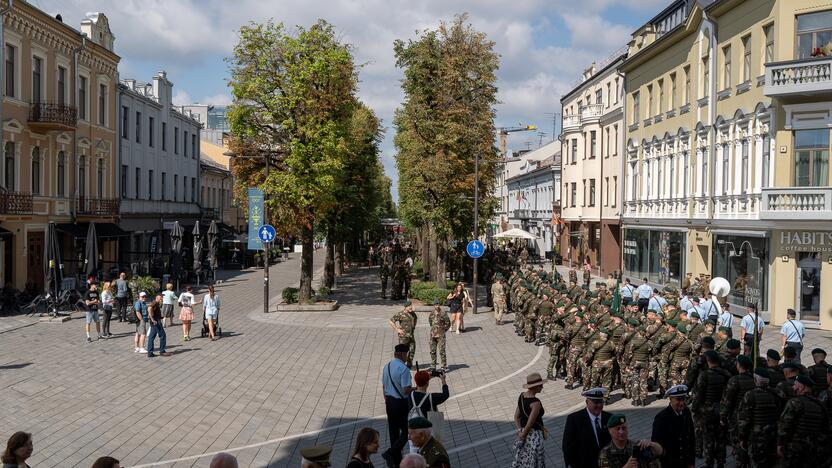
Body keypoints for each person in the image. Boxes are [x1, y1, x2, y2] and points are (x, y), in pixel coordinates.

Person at [777, 375, 830, 467]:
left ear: (802, 387)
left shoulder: (794, 403)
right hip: (813, 451)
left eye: (795, 385)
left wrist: (780, 443)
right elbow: (825, 429)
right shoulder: (820, 405)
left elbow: (785, 425)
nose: (793, 387)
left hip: (795, 450)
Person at [692, 350, 731, 468]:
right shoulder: (726, 374)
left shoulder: (704, 375)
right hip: (721, 409)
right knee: (721, 438)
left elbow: (699, 394)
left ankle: (709, 463)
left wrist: (694, 408)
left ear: (708, 361)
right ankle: (720, 462)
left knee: (708, 438)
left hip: (707, 411)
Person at [736, 367, 781, 468]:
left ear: (755, 380)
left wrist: (742, 437)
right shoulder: (777, 394)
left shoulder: (750, 395)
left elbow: (745, 419)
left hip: (756, 438)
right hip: (773, 437)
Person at [381, 344, 413, 468]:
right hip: (400, 404)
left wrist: (387, 401)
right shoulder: (403, 369)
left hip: (389, 402)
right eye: (406, 354)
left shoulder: (386, 366)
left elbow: (383, 386)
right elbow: (406, 390)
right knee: (406, 432)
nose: (407, 357)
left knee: (393, 432)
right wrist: (414, 388)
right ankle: (391, 452)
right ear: (402, 354)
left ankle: (396, 460)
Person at [562, 388, 611, 468]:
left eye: (600, 402)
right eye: (595, 402)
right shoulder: (574, 419)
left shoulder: (609, 418)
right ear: (587, 402)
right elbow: (568, 447)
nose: (598, 405)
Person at [651, 385, 695, 468]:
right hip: (669, 463)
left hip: (685, 463)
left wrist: (691, 463)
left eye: (684, 399)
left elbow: (691, 439)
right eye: (678, 399)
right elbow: (656, 445)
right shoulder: (662, 418)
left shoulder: (686, 412)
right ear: (670, 399)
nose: (682, 403)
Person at [598, 413, 663, 468]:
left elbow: (659, 452)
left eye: (624, 428)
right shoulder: (605, 454)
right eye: (617, 429)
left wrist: (652, 444)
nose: (621, 432)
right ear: (610, 431)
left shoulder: (637, 446)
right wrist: (627, 467)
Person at [511, 372, 546, 468]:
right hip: (534, 437)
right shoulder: (536, 403)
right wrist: (523, 434)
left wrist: (520, 432)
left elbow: (516, 416)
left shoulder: (522, 396)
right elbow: (530, 423)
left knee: (523, 461)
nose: (542, 387)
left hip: (523, 434)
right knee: (534, 462)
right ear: (535, 387)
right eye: (540, 385)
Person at [389, 301, 418, 368]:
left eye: (411, 305)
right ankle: (400, 365)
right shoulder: (400, 314)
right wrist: (397, 329)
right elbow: (391, 321)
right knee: (402, 352)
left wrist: (413, 327)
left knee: (412, 350)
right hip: (403, 337)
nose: (411, 307)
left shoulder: (413, 313)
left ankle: (409, 365)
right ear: (405, 307)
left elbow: (415, 319)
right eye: (409, 306)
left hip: (411, 336)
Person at [428, 301, 450, 371]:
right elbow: (430, 322)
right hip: (433, 335)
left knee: (442, 351)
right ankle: (433, 366)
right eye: (435, 304)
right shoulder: (431, 313)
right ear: (434, 305)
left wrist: (443, 331)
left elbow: (448, 324)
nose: (437, 306)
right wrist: (434, 330)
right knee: (432, 351)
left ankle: (443, 366)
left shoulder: (443, 313)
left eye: (438, 304)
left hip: (441, 335)